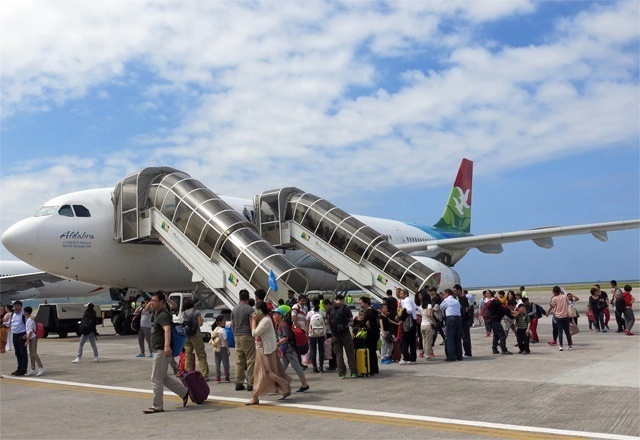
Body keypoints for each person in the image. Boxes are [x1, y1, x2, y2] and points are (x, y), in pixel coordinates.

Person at [144, 291, 189, 413]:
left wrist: (167, 346)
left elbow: (167, 330)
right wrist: (151, 303)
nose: (152, 303)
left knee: (155, 379)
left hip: (161, 350)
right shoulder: (158, 312)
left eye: (154, 301)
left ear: (162, 302)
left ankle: (157, 405)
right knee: (163, 377)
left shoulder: (163, 314)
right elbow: (146, 309)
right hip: (160, 349)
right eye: (151, 300)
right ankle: (184, 392)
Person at [245, 301, 291, 405]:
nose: (254, 312)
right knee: (270, 372)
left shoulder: (265, 320)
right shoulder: (263, 320)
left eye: (256, 310)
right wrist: (254, 321)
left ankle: (255, 396)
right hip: (263, 349)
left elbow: (254, 333)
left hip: (265, 350)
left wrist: (253, 320)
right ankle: (284, 388)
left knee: (262, 373)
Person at [273, 307, 309, 392]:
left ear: (280, 315)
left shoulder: (283, 325)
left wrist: (277, 344)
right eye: (273, 314)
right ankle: (278, 386)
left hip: (289, 349)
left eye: (275, 314)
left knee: (296, 367)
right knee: (282, 367)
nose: (273, 316)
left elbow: (285, 338)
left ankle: (305, 384)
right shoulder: (278, 325)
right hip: (284, 350)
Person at [327, 294, 357, 378]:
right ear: (342, 300)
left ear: (335, 299)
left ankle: (342, 373)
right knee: (350, 353)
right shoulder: (345, 307)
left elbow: (326, 321)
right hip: (345, 333)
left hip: (335, 335)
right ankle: (353, 372)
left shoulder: (330, 308)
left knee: (339, 355)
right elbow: (351, 319)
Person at [231, 289, 256, 391]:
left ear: (239, 297)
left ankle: (238, 382)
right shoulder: (250, 309)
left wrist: (235, 333)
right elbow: (251, 323)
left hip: (237, 336)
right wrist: (253, 334)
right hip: (247, 336)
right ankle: (250, 383)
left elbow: (232, 324)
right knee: (250, 360)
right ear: (248, 297)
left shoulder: (234, 309)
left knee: (239, 361)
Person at [182, 298, 209, 380]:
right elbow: (200, 324)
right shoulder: (197, 312)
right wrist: (202, 321)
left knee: (188, 355)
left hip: (187, 335)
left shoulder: (184, 313)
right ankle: (204, 374)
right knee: (201, 354)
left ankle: (188, 373)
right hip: (196, 334)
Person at [357, 296, 380, 375]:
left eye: (361, 303)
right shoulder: (373, 310)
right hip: (375, 333)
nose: (360, 305)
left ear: (366, 303)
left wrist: (360, 321)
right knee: (372, 351)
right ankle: (374, 368)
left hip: (371, 333)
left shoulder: (369, 311)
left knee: (370, 351)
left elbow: (366, 322)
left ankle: (372, 369)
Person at [440, 289, 463, 362]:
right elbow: (460, 307)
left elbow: (441, 307)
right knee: (457, 338)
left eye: (444, 294)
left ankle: (451, 356)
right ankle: (459, 356)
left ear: (447, 293)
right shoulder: (456, 300)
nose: (443, 295)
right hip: (458, 318)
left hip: (451, 318)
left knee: (450, 338)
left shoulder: (447, 300)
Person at [548, 286, 573, 351]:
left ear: (554, 292)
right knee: (567, 332)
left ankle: (561, 346)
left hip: (558, 317)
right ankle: (569, 345)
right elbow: (568, 303)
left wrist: (547, 312)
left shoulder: (554, 298)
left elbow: (551, 306)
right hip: (566, 316)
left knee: (560, 331)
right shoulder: (565, 296)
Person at [396, 287, 417, 364]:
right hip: (413, 322)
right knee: (412, 342)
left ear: (405, 294)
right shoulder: (410, 300)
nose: (400, 295)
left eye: (401, 293)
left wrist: (401, 314)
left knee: (404, 341)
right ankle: (412, 358)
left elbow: (409, 310)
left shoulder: (406, 300)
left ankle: (406, 357)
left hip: (409, 323)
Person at [306, 298, 326, 373]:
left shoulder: (309, 313)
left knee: (313, 350)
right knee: (321, 350)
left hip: (312, 333)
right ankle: (321, 366)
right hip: (321, 333)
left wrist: (307, 331)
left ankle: (314, 367)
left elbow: (307, 323)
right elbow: (324, 323)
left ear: (312, 304)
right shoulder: (322, 312)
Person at [23, 306, 45, 376]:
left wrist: (27, 340)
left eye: (24, 312)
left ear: (26, 312)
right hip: (31, 337)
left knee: (34, 353)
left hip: (33, 338)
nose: (23, 313)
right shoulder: (30, 319)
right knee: (31, 353)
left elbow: (30, 332)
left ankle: (41, 367)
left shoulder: (30, 320)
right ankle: (33, 369)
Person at [9, 301, 28, 375]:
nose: (16, 308)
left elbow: (28, 325)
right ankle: (19, 368)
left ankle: (23, 369)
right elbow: (10, 323)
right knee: (17, 353)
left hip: (22, 334)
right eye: (15, 306)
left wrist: (26, 334)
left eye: (18, 306)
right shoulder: (12, 314)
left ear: (21, 307)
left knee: (22, 352)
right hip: (15, 334)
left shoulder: (24, 315)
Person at [210, 315, 230, 383]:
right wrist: (228, 350)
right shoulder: (223, 330)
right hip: (223, 348)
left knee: (217, 363)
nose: (225, 322)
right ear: (219, 322)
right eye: (224, 321)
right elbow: (225, 340)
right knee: (226, 363)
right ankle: (226, 377)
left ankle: (218, 378)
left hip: (216, 348)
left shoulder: (214, 329)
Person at [454, 284, 472, 358]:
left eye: (455, 291)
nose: (454, 292)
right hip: (460, 320)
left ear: (459, 290)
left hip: (464, 320)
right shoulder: (457, 298)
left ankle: (468, 353)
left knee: (465, 336)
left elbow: (466, 309)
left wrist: (462, 318)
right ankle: (465, 352)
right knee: (462, 336)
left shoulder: (463, 299)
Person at [418, 293, 435, 361]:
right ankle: (427, 355)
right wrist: (434, 321)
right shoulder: (429, 305)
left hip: (422, 324)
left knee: (424, 340)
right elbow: (429, 314)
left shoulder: (421, 305)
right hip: (428, 324)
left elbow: (420, 314)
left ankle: (425, 353)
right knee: (428, 341)